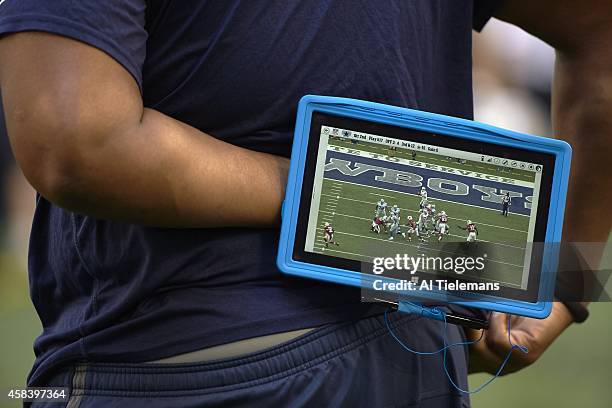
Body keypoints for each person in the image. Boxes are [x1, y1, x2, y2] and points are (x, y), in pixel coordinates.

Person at [0, 1, 609, 407]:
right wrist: (565, 283)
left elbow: (78, 142)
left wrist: (337, 197)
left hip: (182, 359)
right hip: (416, 355)